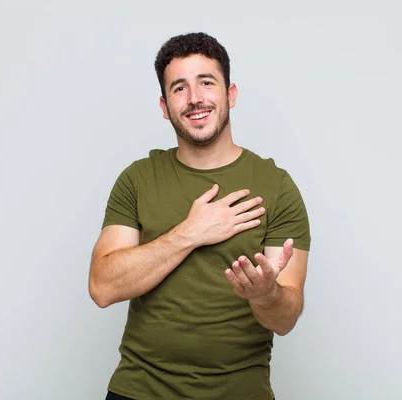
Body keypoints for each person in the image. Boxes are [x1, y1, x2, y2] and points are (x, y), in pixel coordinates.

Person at [89, 32, 311, 400]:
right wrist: (190, 233)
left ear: (231, 94)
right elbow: (102, 286)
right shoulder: (139, 179)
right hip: (140, 390)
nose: (195, 98)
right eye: (179, 88)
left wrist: (266, 293)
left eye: (206, 83)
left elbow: (284, 319)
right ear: (164, 106)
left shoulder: (276, 186)